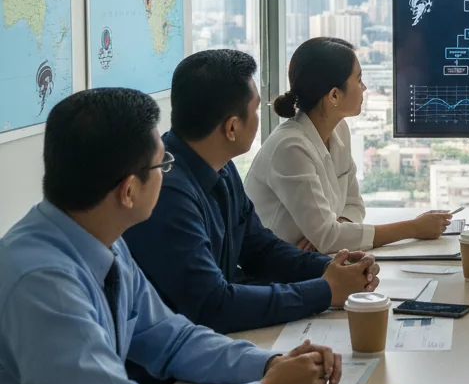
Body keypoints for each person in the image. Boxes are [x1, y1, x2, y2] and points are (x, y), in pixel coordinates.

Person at [0, 89, 342, 384]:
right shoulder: (41, 281)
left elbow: (171, 338)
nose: (168, 175)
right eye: (162, 167)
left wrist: (268, 366)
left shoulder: (100, 236)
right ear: (128, 190)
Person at [125, 50, 379, 335]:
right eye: (256, 109)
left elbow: (259, 248)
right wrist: (324, 290)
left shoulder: (220, 168)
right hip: (173, 363)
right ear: (232, 127)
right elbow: (213, 305)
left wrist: (334, 266)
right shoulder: (168, 193)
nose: (261, 118)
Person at [246, 37, 452, 253]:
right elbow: (329, 237)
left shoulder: (340, 131)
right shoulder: (290, 148)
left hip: (309, 264)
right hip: (273, 276)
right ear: (334, 95)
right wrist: (414, 228)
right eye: (359, 79)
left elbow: (354, 206)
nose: (364, 87)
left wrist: (338, 231)